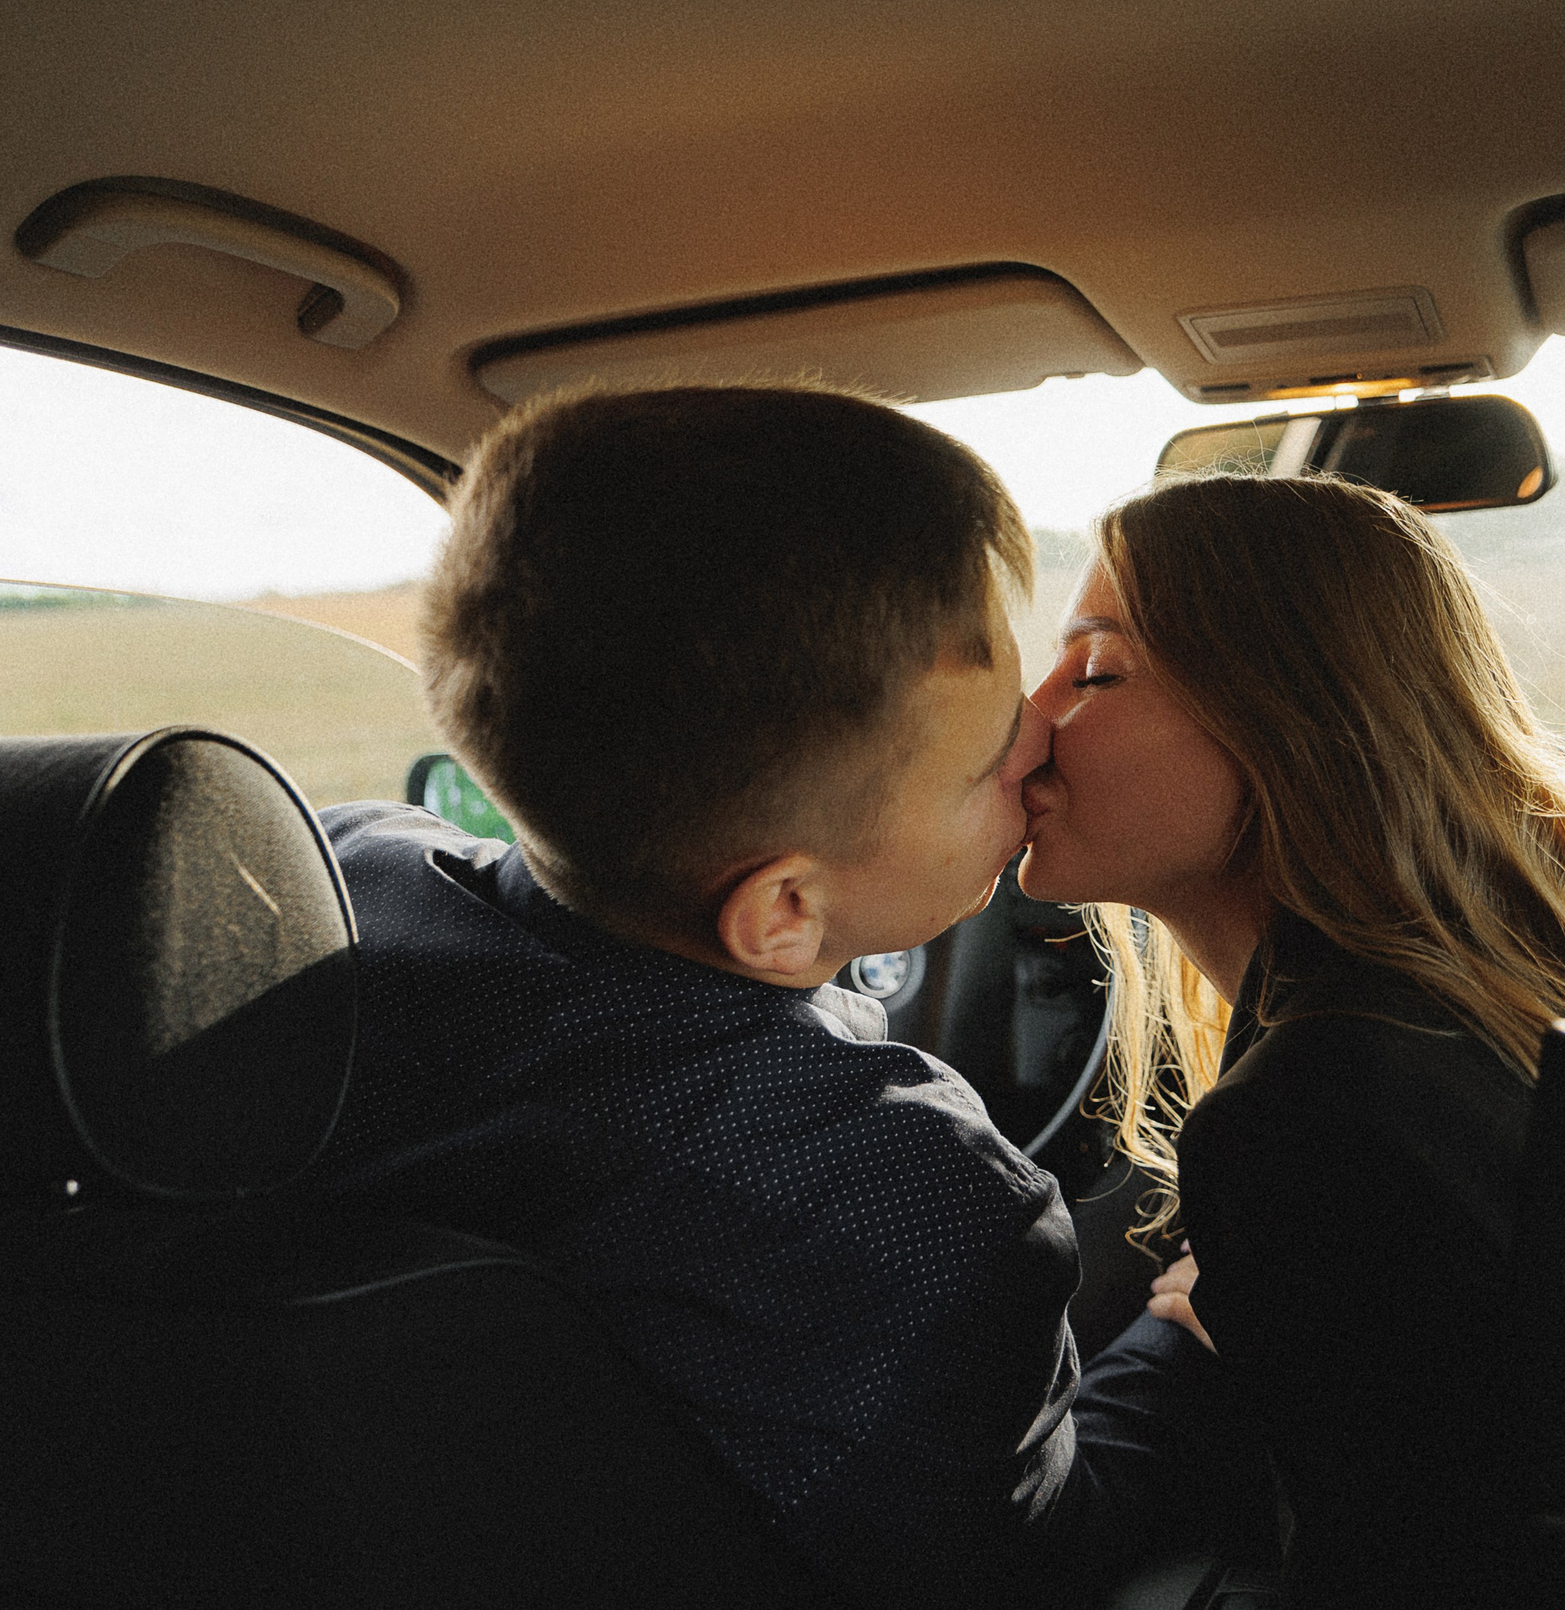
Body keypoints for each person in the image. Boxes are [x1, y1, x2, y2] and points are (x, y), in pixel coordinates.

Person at [303, 384, 1233, 1609]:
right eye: (983, 761)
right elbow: (1025, 1561)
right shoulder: (921, 1202)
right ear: (785, 914)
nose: (1038, 751)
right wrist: (1177, 1342)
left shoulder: (339, 878)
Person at [1018, 471, 1565, 1607]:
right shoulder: (1468, 1011)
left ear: (1287, 723)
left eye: (1095, 671)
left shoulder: (1313, 1112)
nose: (1031, 719)